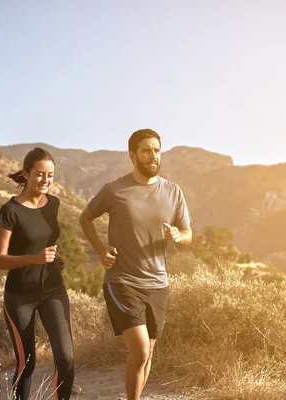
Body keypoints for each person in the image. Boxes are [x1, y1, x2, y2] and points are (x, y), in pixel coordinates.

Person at [79, 128, 192, 400]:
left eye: (156, 150)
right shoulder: (114, 190)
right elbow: (85, 218)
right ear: (133, 156)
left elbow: (188, 233)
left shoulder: (173, 192)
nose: (153, 155)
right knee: (140, 351)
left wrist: (179, 236)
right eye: (146, 150)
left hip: (158, 284)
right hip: (122, 281)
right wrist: (100, 249)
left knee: (148, 353)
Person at [0, 147, 74, 400]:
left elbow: (43, 238)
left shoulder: (54, 204)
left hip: (53, 289)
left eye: (50, 175)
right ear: (26, 174)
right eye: (39, 174)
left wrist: (54, 256)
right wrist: (35, 259)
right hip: (20, 296)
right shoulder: (10, 211)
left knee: (67, 358)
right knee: (27, 363)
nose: (45, 181)